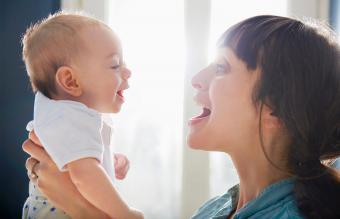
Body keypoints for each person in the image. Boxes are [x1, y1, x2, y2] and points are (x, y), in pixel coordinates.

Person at [22, 15, 340, 219]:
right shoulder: (213, 211)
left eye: (221, 68)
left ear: (276, 108)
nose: (196, 79)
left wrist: (83, 209)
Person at [21, 12, 143, 219]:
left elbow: (76, 163)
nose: (127, 71)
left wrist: (106, 160)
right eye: (115, 65)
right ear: (71, 81)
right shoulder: (68, 116)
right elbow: (84, 175)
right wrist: (124, 214)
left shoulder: (64, 115)